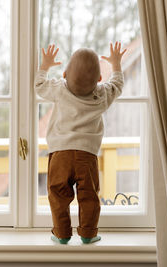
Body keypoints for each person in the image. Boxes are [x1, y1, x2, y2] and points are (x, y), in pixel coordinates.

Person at [35, 42, 126, 244]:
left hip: (60, 155)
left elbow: (39, 86)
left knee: (58, 194)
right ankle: (88, 232)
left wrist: (45, 66)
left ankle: (61, 233)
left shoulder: (59, 89)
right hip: (87, 155)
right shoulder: (101, 94)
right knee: (89, 196)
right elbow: (117, 85)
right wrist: (116, 64)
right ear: (100, 79)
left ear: (65, 74)